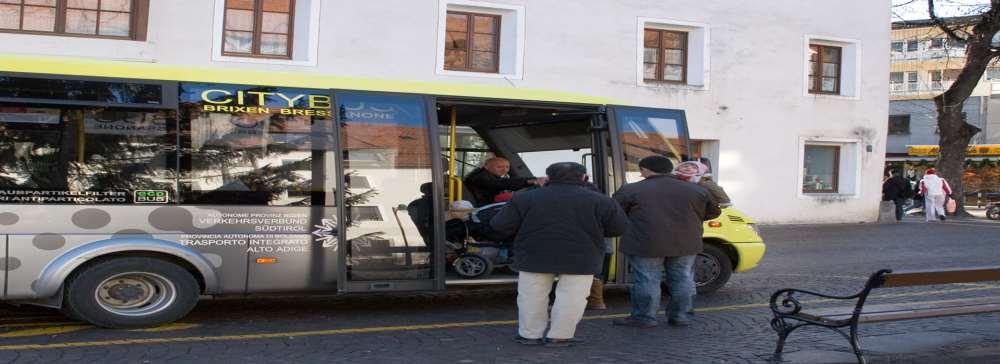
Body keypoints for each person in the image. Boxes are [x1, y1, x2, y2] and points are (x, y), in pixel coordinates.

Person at [490, 162, 628, 347]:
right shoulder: (601, 200)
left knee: (531, 296)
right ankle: (560, 336)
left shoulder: (525, 198)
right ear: (583, 177)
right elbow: (619, 228)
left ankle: (530, 335)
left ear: (548, 178)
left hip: (533, 254)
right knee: (572, 297)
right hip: (582, 256)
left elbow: (500, 225)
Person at [612, 156, 721, 328]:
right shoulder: (695, 189)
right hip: (686, 242)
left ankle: (645, 317)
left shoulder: (631, 189)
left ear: (645, 170)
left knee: (647, 279)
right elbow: (713, 212)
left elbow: (616, 212)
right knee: (683, 278)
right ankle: (680, 316)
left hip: (645, 243)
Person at [464, 157, 546, 206]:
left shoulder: (488, 175)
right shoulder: (479, 177)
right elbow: (500, 184)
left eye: (507, 167)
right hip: (483, 204)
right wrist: (528, 181)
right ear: (486, 167)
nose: (504, 170)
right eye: (499, 167)